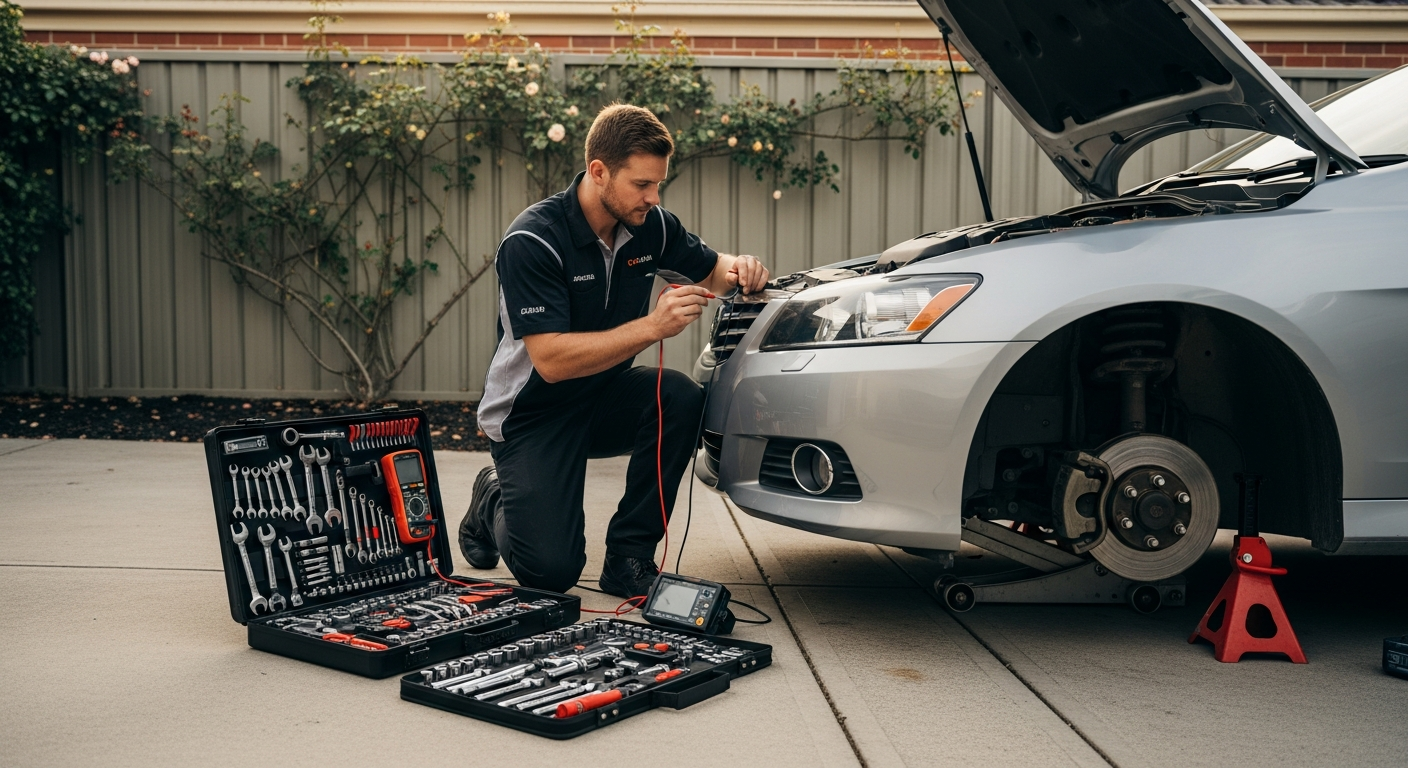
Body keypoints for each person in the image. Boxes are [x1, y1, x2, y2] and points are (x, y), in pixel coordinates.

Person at [458, 103, 769, 600]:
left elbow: (712, 269)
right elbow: (552, 361)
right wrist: (653, 326)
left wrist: (743, 269)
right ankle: (493, 494)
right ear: (599, 172)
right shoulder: (533, 240)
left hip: (603, 397)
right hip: (533, 414)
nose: (653, 196)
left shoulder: (652, 226)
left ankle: (629, 558)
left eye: (658, 184)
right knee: (552, 574)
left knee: (679, 396)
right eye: (642, 184)